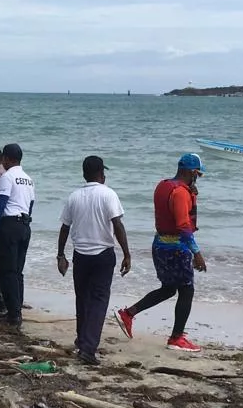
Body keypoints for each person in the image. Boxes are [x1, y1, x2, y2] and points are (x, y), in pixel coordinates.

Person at [115, 153, 207, 353]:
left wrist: (193, 194)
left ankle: (129, 313)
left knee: (168, 288)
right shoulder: (181, 193)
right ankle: (176, 338)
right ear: (189, 172)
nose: (197, 178)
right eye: (197, 174)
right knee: (186, 290)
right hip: (176, 248)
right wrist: (197, 253)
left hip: (159, 245)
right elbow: (183, 226)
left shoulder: (164, 185)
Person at [57, 155, 131, 366]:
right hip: (103, 255)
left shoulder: (74, 196)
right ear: (101, 174)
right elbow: (117, 225)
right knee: (99, 301)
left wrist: (60, 254)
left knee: (82, 299)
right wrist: (127, 253)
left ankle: (83, 340)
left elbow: (65, 227)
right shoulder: (108, 195)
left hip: (80, 255)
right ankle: (88, 349)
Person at [0, 143, 35, 328]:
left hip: (9, 225)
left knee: (6, 272)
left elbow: (0, 205)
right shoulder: (28, 179)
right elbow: (30, 205)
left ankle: (13, 315)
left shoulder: (7, 177)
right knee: (17, 272)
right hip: (24, 225)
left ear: (7, 159)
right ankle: (17, 310)